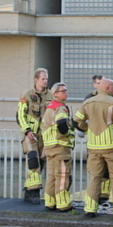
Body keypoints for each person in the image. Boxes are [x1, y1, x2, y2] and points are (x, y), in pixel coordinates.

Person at [74, 78, 113, 219]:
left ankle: (89, 209)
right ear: (107, 88)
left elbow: (76, 121)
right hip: (112, 145)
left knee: (94, 177)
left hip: (94, 146)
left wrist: (87, 130)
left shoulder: (87, 102)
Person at [17, 68, 52, 204]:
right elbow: (20, 114)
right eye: (43, 78)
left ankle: (29, 190)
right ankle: (34, 193)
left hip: (45, 135)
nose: (45, 81)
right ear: (36, 80)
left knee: (41, 162)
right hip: (30, 134)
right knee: (33, 161)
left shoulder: (51, 95)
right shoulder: (26, 94)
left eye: (46, 79)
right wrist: (26, 130)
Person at [41, 83, 74, 213]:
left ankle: (50, 202)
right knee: (62, 176)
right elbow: (62, 123)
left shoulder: (49, 108)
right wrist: (66, 134)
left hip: (50, 147)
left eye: (66, 90)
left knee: (51, 176)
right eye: (63, 91)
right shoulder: (60, 108)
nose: (66, 93)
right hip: (60, 146)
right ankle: (63, 204)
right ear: (55, 94)